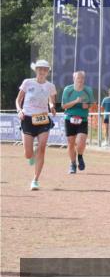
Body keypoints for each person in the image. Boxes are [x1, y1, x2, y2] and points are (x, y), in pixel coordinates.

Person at [15, 60, 58, 190]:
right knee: (28, 154)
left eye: (45, 69)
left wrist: (52, 107)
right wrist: (19, 110)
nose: (42, 71)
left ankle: (35, 180)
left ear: (47, 72)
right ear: (36, 70)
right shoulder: (28, 82)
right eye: (40, 69)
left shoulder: (50, 86)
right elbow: (18, 100)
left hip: (43, 119)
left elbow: (51, 101)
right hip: (27, 118)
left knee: (42, 148)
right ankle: (32, 154)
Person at [61, 71, 96, 174]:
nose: (80, 80)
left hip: (83, 119)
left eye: (82, 78)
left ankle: (80, 156)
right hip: (69, 118)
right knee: (71, 143)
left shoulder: (88, 90)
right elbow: (64, 106)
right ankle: (72, 164)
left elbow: (92, 103)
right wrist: (75, 102)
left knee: (81, 142)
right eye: (78, 78)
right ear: (74, 79)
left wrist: (88, 106)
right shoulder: (68, 90)